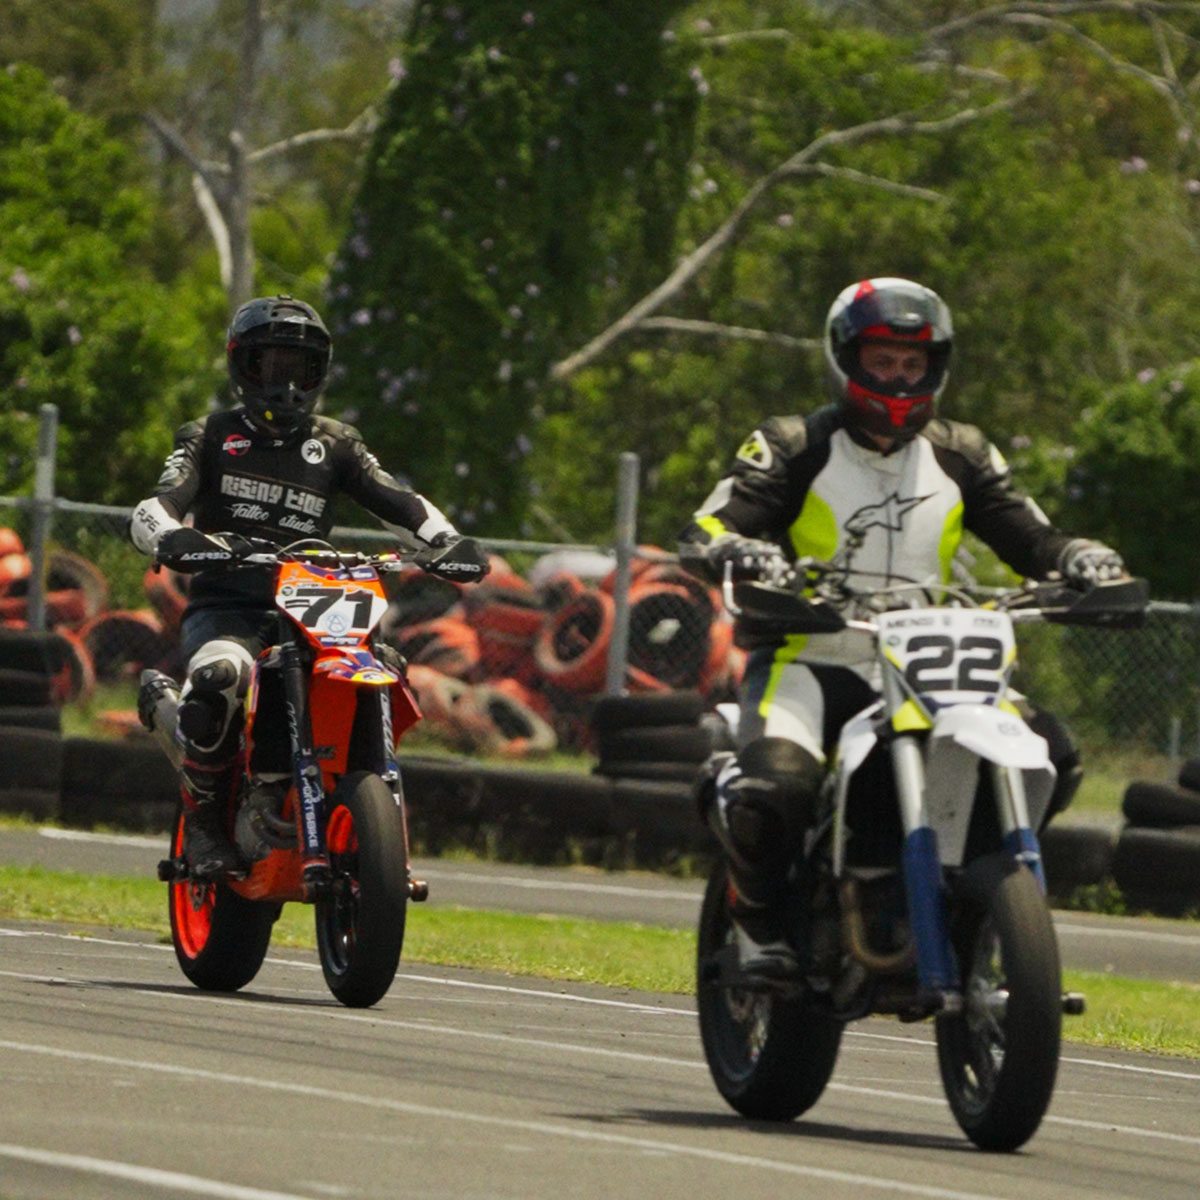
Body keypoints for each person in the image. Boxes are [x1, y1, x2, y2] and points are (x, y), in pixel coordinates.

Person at [678, 276, 1126, 982]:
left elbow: (1031, 534)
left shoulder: (964, 453)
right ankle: (758, 924)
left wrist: (1080, 559)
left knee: (1054, 753)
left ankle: (975, 891)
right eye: (883, 361)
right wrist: (738, 548)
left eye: (912, 364)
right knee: (778, 787)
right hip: (813, 657)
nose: (898, 378)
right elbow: (710, 522)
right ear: (846, 359)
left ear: (936, 368)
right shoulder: (793, 444)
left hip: (933, 663)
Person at [130, 294, 489, 877]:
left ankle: (368, 809)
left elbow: (399, 501)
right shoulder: (210, 435)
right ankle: (202, 828)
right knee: (221, 678)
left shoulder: (337, 443)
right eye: (270, 365)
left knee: (387, 666)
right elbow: (155, 505)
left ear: (321, 372)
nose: (286, 384)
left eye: (301, 368)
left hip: (315, 607)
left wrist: (446, 541)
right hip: (231, 608)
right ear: (241, 366)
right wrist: (170, 538)